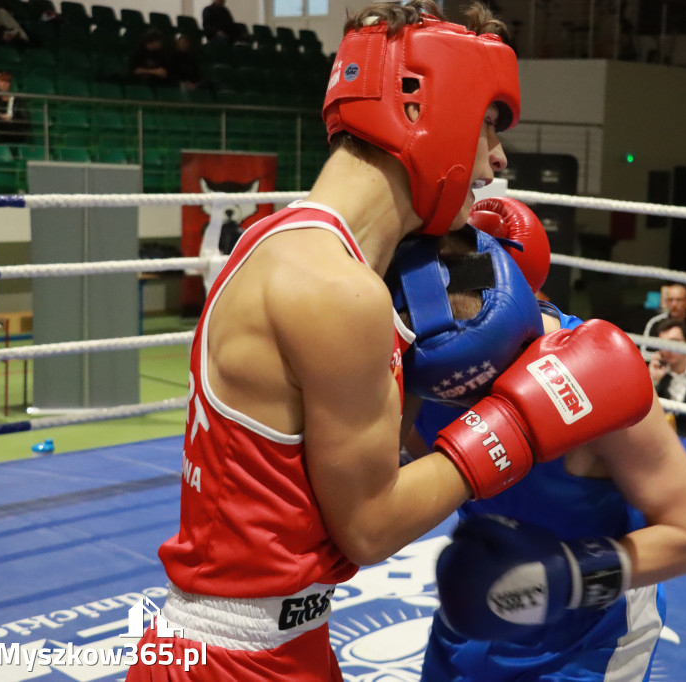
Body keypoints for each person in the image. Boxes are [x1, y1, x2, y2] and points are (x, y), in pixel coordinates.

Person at [125, 4, 656, 680]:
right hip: (235, 661)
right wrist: (523, 420)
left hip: (271, 640)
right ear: (428, 110)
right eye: (489, 124)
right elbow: (370, 528)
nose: (496, 163)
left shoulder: (286, 243)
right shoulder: (337, 289)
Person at [390, 215, 686, 680]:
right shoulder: (414, 363)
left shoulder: (599, 379)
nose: (462, 400)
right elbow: (396, 495)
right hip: (475, 601)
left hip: (590, 630)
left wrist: (562, 578)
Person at [641, 282, 686, 359]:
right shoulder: (655, 322)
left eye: (679, 300)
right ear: (666, 302)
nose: (674, 304)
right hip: (663, 368)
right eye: (670, 300)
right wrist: (666, 355)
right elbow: (644, 354)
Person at [0, 70, 28, 144]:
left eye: (6, 82)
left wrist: (11, 119)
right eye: (1, 81)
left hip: (12, 129)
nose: (4, 84)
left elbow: (24, 118)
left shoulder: (17, 100)